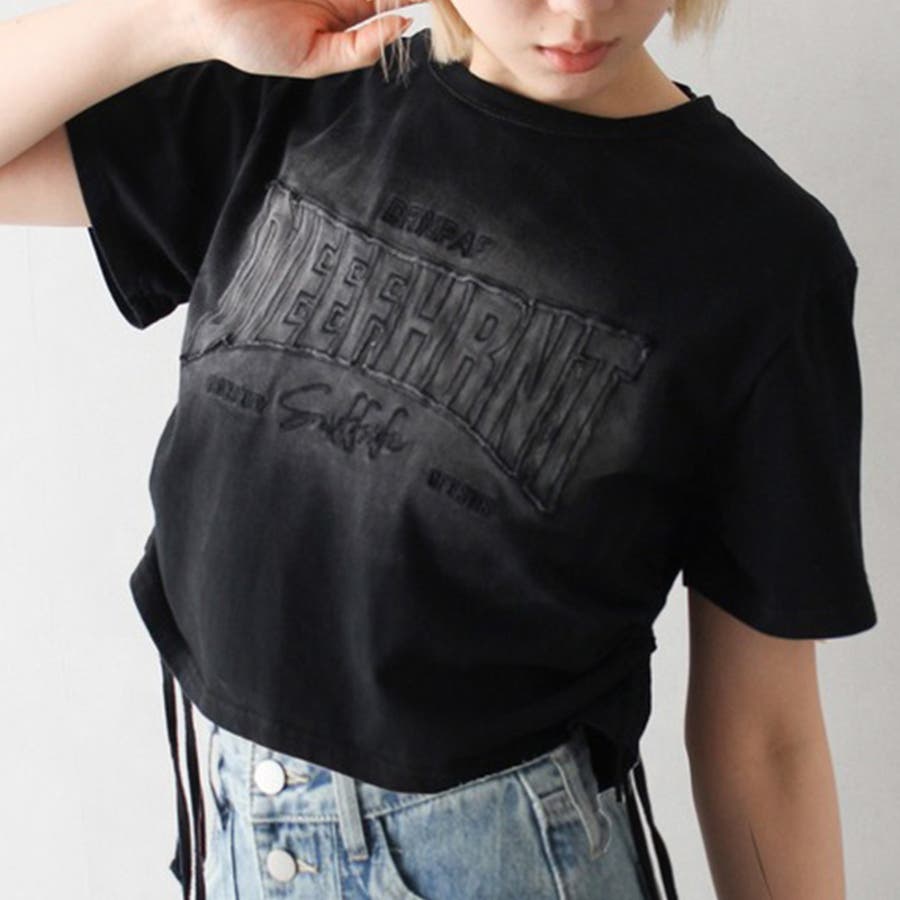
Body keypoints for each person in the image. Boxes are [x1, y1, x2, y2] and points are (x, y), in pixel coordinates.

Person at [0, 0, 878, 897]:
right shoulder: (298, 92)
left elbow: (764, 738)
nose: (579, 12)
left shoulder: (761, 258)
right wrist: (185, 18)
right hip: (230, 841)